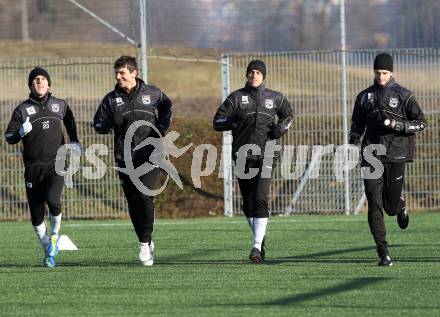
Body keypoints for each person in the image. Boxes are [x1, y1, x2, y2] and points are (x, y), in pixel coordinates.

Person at [93, 56, 172, 266]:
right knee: (134, 202)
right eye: (116, 73)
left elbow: (167, 106)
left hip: (150, 154)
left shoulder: (153, 93)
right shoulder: (110, 100)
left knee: (145, 196)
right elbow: (98, 124)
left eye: (122, 73)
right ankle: (145, 238)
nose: (118, 76)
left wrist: (162, 128)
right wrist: (107, 124)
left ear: (134, 73)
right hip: (124, 157)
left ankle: (145, 244)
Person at [349, 53, 426, 266]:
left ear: (391, 72)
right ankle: (383, 252)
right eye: (377, 73)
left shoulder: (405, 95)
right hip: (371, 155)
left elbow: (421, 123)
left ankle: (400, 205)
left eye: (384, 73)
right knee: (374, 203)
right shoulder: (364, 96)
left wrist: (399, 126)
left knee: (390, 207)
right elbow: (357, 123)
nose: (380, 77)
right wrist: (354, 137)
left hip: (396, 154)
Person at [213, 60, 293, 263]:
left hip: (267, 154)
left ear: (263, 75)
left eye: (258, 72)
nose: (254, 75)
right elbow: (217, 121)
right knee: (248, 204)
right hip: (242, 155)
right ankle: (260, 239)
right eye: (251, 72)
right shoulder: (236, 98)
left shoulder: (275, 97)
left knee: (260, 197)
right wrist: (233, 121)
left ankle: (256, 246)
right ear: (247, 75)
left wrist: (280, 129)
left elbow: (289, 116)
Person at [5, 67, 82, 267]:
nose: (39, 81)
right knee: (37, 214)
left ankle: (55, 235)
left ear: (49, 83)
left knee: (53, 200)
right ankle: (48, 247)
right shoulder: (22, 110)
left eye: (43, 79)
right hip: (32, 168)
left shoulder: (60, 105)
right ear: (30, 85)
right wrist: (20, 131)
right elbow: (9, 137)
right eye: (35, 79)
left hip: (56, 164)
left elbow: (70, 120)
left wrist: (74, 140)